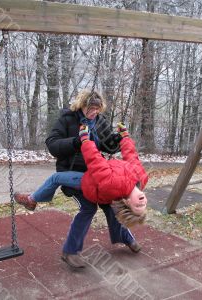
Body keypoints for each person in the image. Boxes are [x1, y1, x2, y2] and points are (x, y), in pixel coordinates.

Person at [22, 90, 143, 269]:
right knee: (88, 208)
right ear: (81, 105)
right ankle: (70, 251)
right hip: (73, 172)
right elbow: (52, 144)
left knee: (113, 204)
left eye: (97, 109)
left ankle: (125, 237)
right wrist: (77, 142)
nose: (94, 112)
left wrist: (117, 139)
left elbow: (108, 147)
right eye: (90, 108)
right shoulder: (68, 119)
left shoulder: (100, 122)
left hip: (98, 172)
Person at [14, 122, 148, 226]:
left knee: (56, 178)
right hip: (99, 177)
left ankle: (31, 200)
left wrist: (85, 140)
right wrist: (125, 137)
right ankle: (127, 240)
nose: (142, 202)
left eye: (137, 206)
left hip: (88, 182)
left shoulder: (114, 184)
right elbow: (132, 156)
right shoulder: (141, 178)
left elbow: (96, 161)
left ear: (127, 202)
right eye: (144, 205)